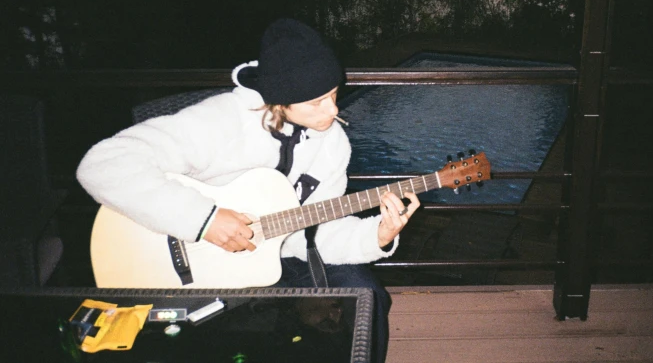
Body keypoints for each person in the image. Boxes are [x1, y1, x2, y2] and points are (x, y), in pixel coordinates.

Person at [76, 18, 419, 363]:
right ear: (280, 100)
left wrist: (376, 233)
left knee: (366, 296)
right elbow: (103, 164)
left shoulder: (332, 145)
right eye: (316, 102)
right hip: (196, 265)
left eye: (333, 94)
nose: (333, 110)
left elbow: (314, 233)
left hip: (286, 259)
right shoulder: (224, 120)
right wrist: (203, 219)